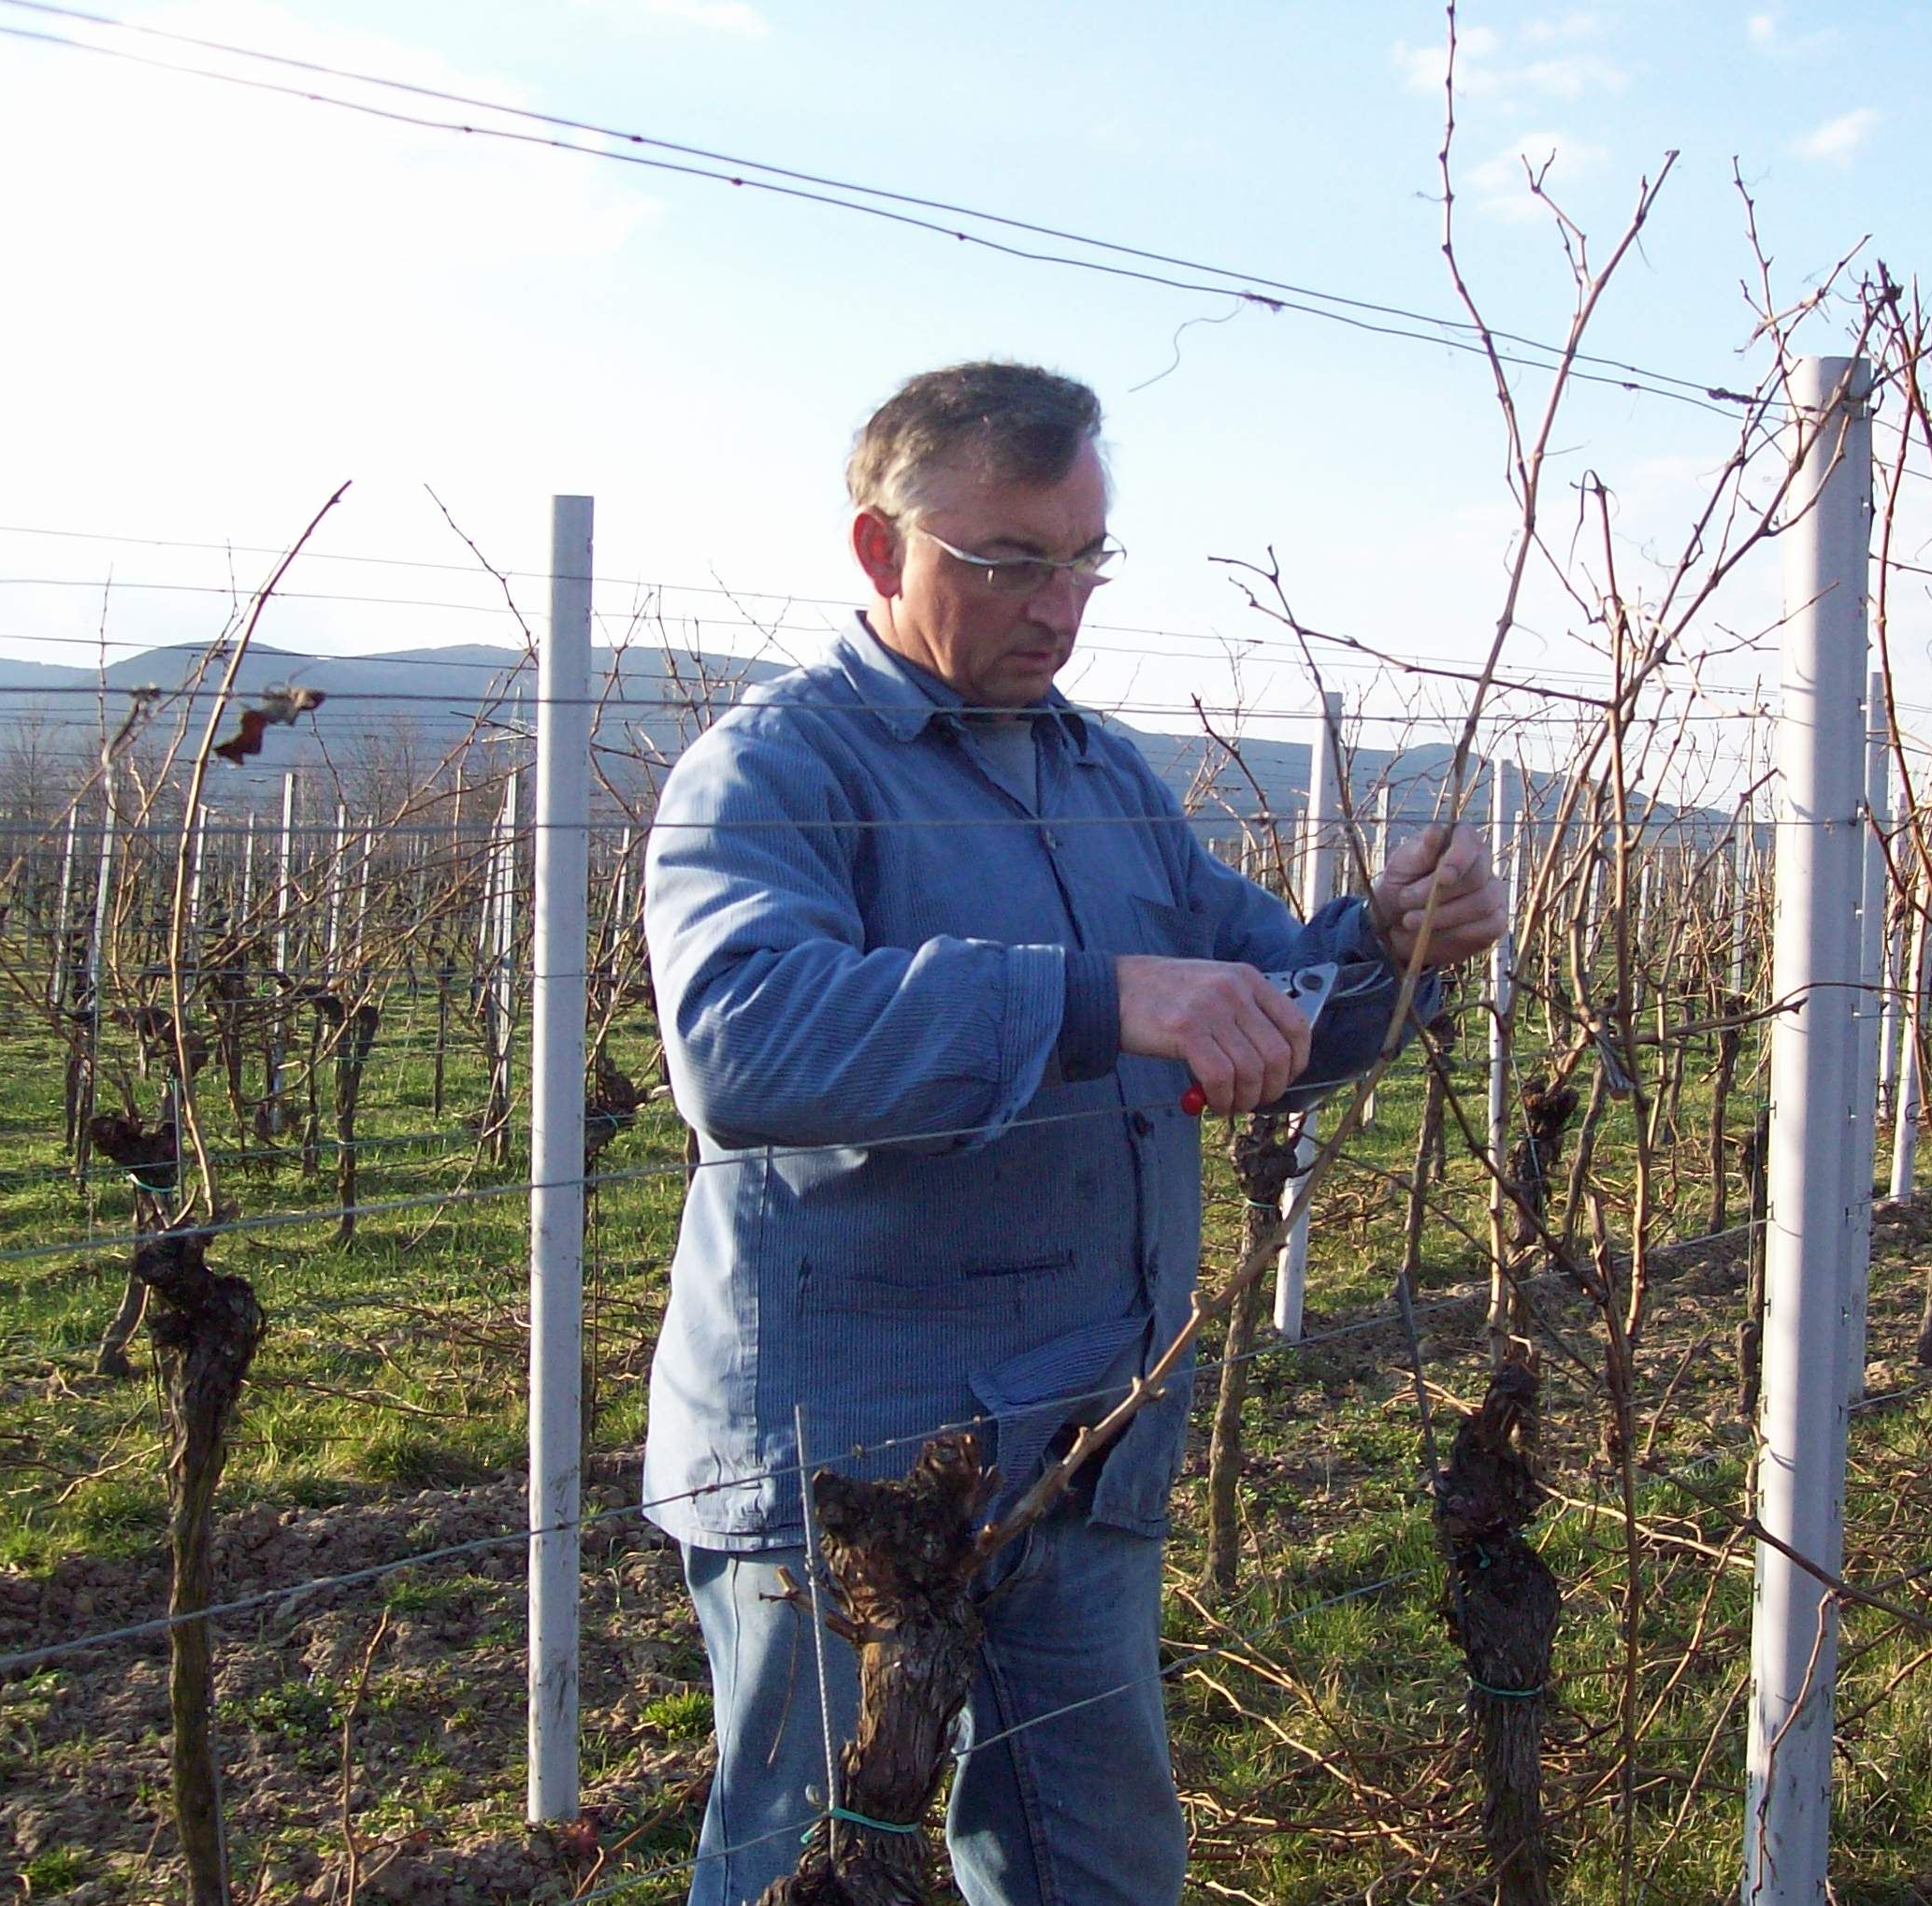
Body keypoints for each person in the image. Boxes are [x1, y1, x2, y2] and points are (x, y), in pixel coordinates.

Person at [642, 360, 1507, 1904]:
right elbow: (739, 1042)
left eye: (1086, 556)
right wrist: (1092, 1001)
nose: (1061, 603)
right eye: (1010, 561)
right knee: (811, 1872)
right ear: (876, 551)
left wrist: (1385, 948)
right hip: (845, 1474)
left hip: (1089, 1445)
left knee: (1101, 1869)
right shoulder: (775, 770)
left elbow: (1267, 1005)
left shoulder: (1103, 774)